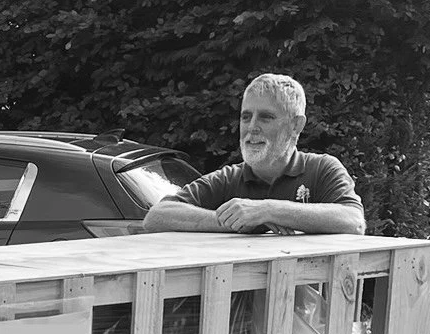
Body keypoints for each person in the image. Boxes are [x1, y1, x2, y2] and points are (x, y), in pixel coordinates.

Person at [143, 74, 365, 236]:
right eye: (246, 117)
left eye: (266, 117)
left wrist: (267, 210)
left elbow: (354, 221)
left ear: (296, 125)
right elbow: (156, 216)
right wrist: (235, 221)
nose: (252, 127)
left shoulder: (322, 169)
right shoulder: (228, 178)